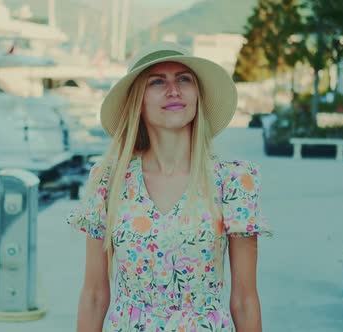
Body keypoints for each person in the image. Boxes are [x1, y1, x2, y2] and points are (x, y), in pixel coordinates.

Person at [68, 42, 272, 331]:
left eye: (183, 79)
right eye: (157, 81)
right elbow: (94, 295)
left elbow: (244, 300)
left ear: (197, 96)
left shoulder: (233, 181)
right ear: (138, 101)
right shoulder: (108, 181)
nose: (173, 90)